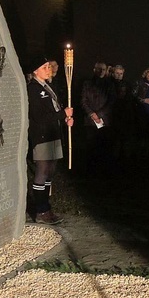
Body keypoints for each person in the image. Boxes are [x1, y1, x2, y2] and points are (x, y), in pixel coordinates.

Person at [26, 55, 73, 224]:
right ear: (35, 71)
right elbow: (39, 116)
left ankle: (46, 208)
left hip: (53, 133)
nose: (49, 69)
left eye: (49, 66)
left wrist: (65, 118)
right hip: (43, 135)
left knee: (50, 173)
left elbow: (54, 110)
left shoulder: (47, 86)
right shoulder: (33, 88)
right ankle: (41, 211)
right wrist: (62, 114)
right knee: (42, 172)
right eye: (44, 67)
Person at [81, 62, 116, 175]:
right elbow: (83, 100)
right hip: (90, 121)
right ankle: (91, 170)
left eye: (103, 69)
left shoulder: (110, 85)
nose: (101, 71)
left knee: (104, 145)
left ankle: (104, 170)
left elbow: (111, 101)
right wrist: (91, 114)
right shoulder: (87, 84)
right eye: (99, 69)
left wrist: (99, 114)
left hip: (104, 120)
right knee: (90, 145)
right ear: (94, 70)